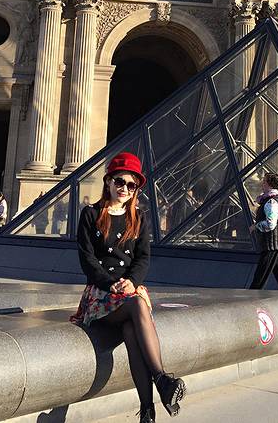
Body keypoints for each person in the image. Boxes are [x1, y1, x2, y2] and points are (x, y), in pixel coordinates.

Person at [71, 152, 186, 423]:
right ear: (108, 181)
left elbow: (143, 258)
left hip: (129, 290)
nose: (124, 188)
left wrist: (132, 281)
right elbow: (87, 260)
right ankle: (161, 379)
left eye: (131, 185)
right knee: (137, 305)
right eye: (120, 182)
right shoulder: (90, 214)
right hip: (101, 294)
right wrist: (111, 284)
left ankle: (147, 411)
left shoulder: (139, 217)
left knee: (132, 331)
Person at [249, 171, 278, 292]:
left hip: (272, 244)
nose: (262, 184)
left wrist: (256, 226)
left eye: (264, 182)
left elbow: (270, 224)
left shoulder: (271, 202)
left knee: (260, 276)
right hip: (275, 244)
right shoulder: (270, 200)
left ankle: (251, 296)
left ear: (270, 185)